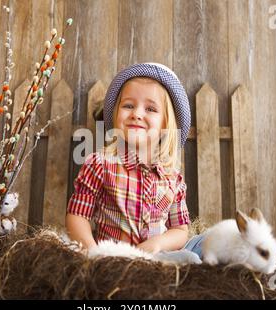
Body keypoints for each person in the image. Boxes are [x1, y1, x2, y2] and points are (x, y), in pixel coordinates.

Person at [66, 63, 202, 262]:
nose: (137, 114)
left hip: (158, 257)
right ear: (116, 114)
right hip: (115, 259)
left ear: (166, 123)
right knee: (191, 260)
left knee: (200, 248)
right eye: (128, 105)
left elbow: (180, 230)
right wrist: (93, 255)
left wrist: (157, 243)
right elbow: (77, 216)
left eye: (150, 109)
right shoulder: (101, 164)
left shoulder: (172, 178)